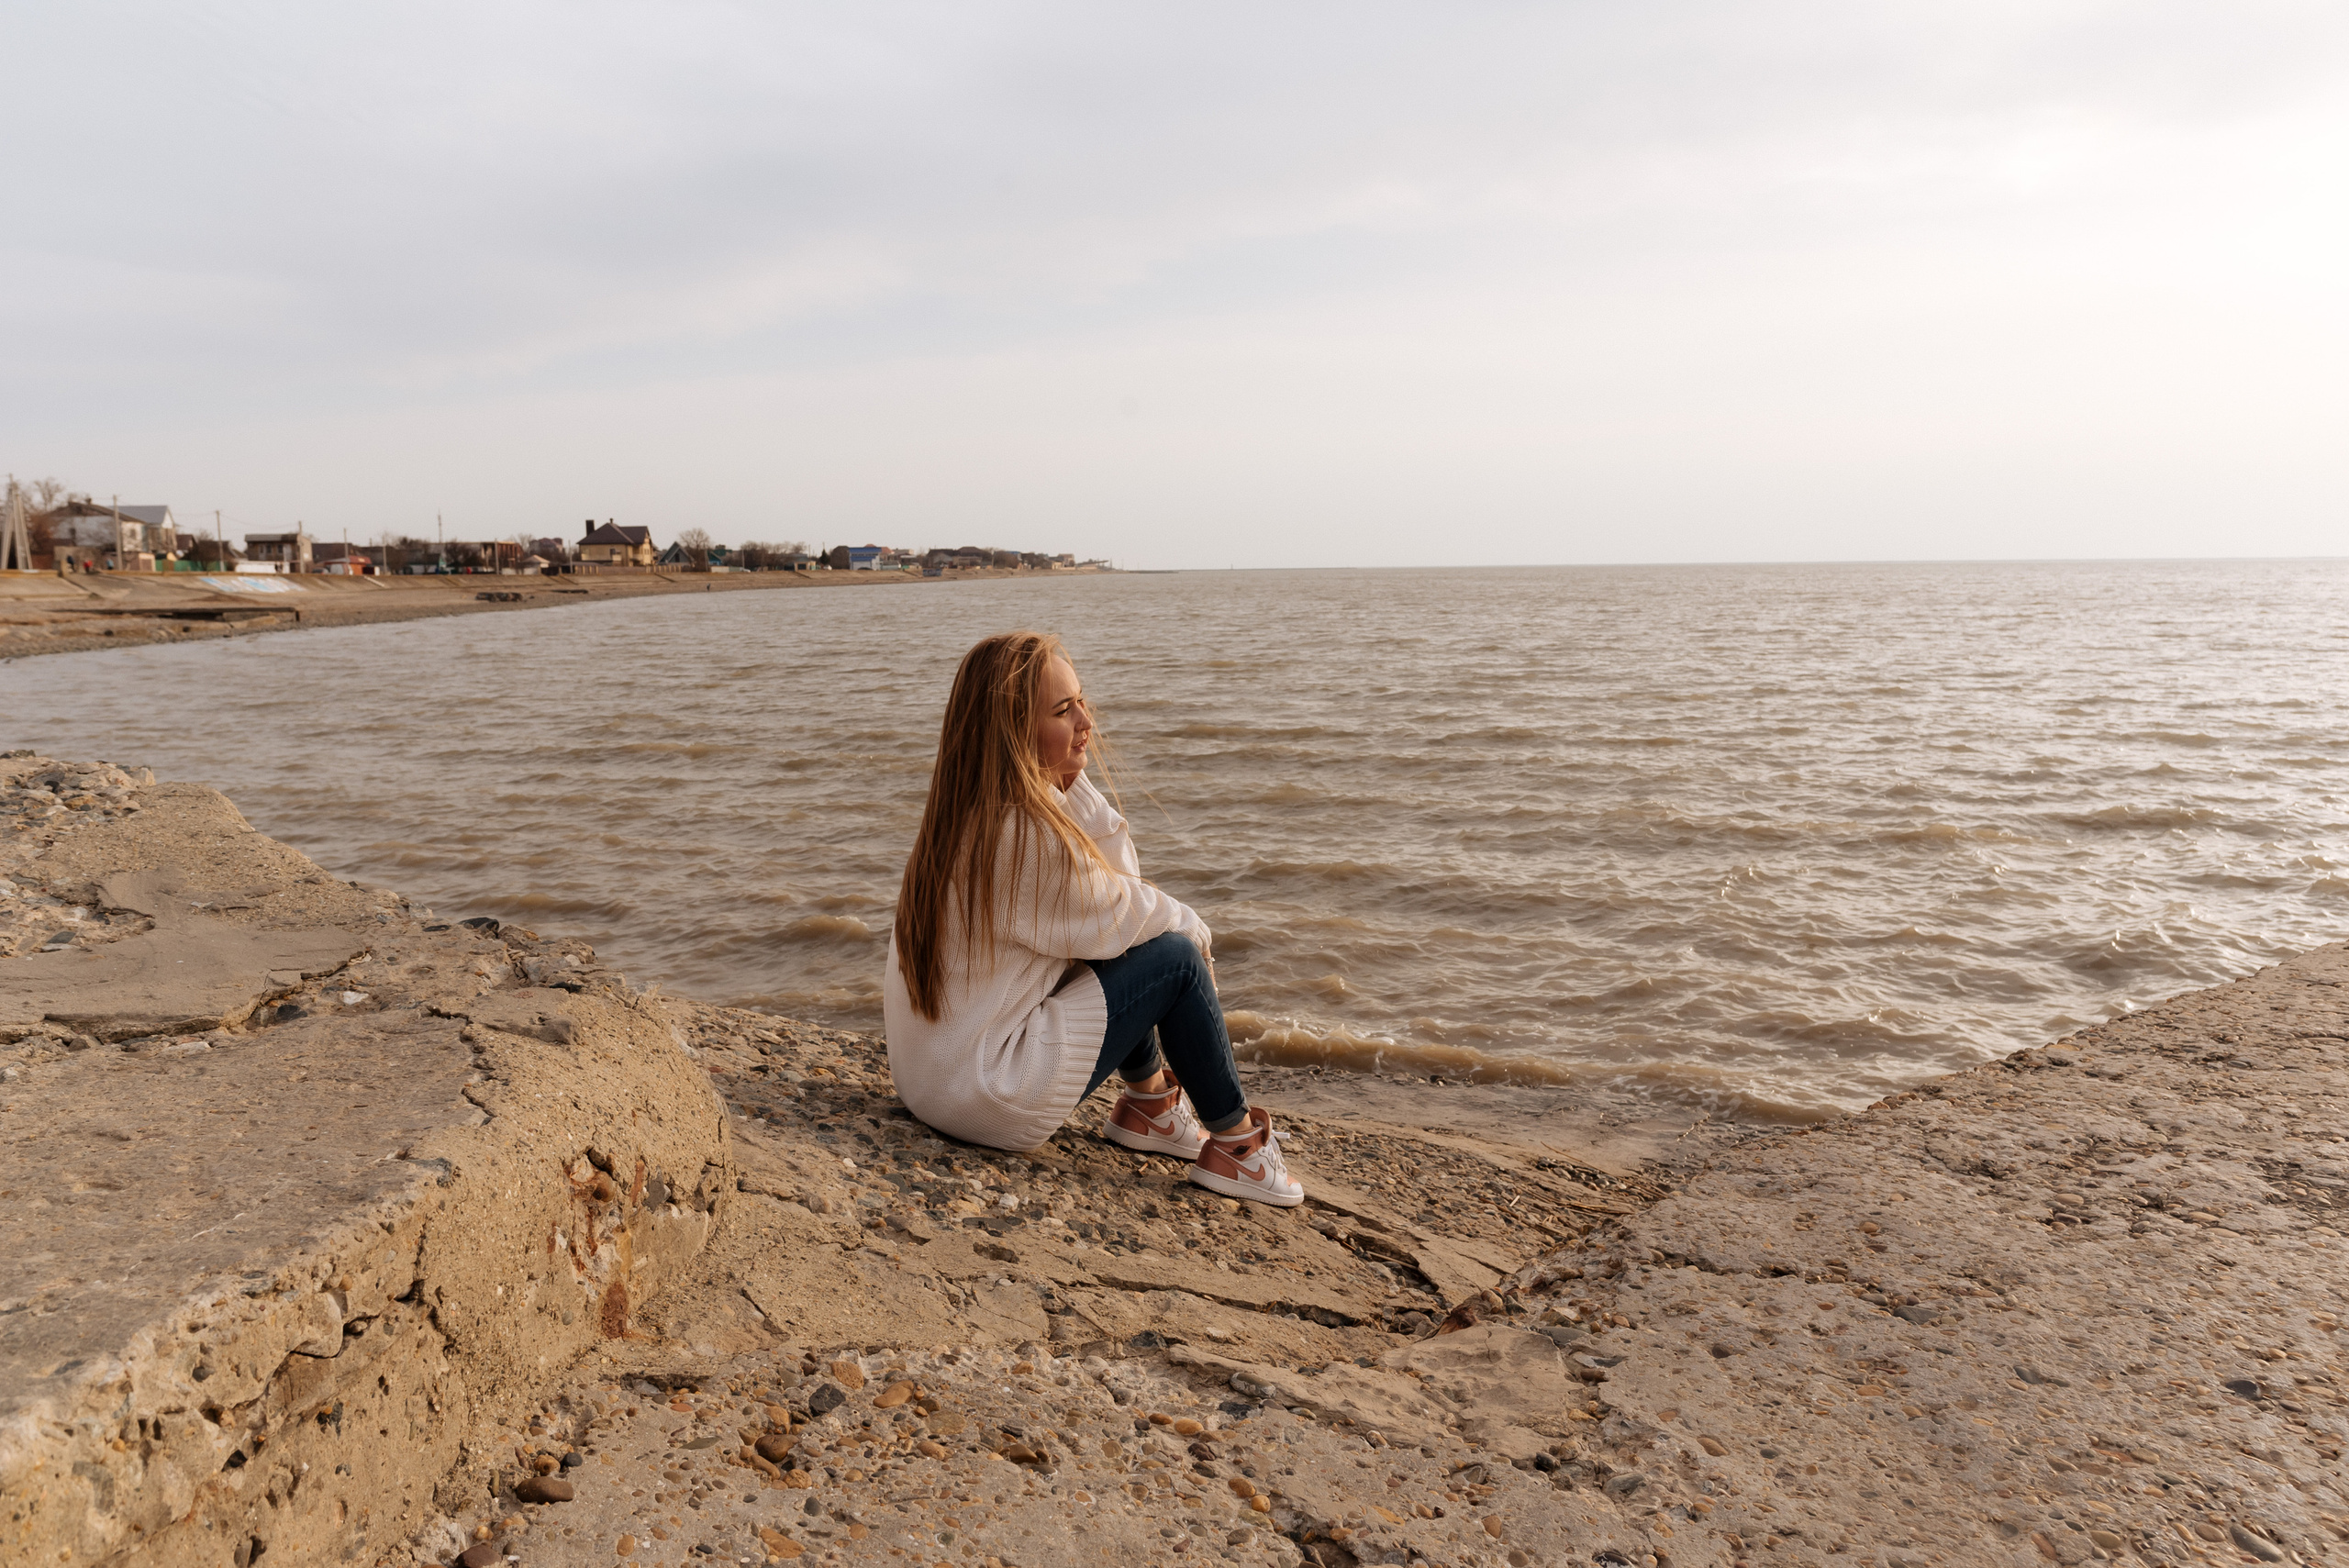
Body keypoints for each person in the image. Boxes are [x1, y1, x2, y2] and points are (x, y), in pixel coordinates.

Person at [883, 630, 1301, 1206]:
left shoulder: (966, 814)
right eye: (1063, 710)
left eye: (1082, 701)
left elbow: (1106, 903)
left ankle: (1150, 1105)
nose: (1086, 720)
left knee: (1115, 938)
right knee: (1175, 957)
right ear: (1012, 732)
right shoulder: (1025, 835)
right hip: (986, 1094)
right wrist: (1196, 931)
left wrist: (1063, 778)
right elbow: (1127, 898)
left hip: (931, 1082)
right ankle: (1238, 1148)